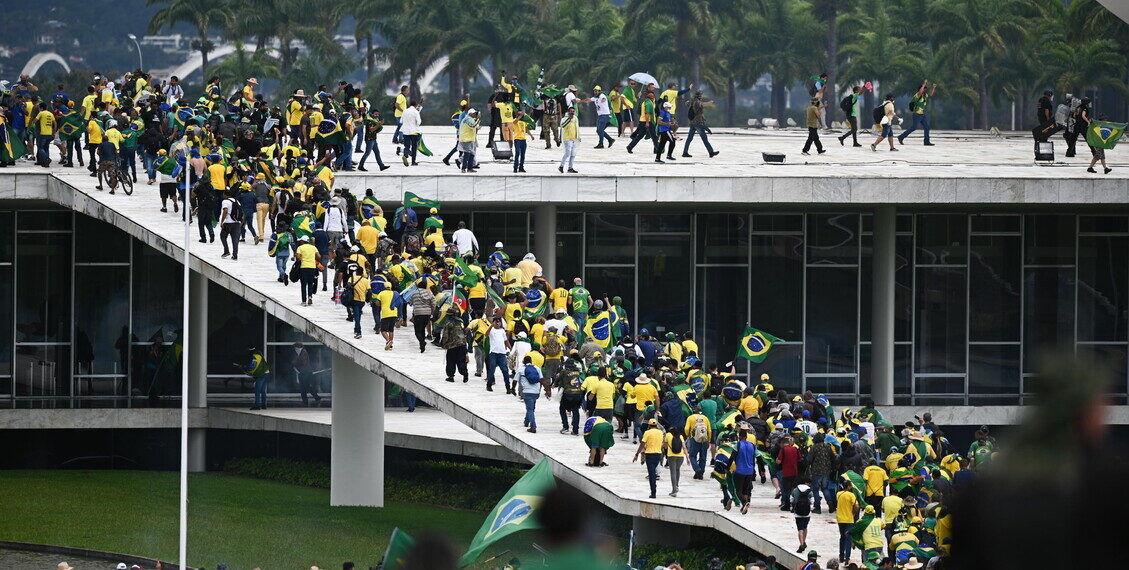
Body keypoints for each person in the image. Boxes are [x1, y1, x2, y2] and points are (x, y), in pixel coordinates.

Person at [898, 80, 936, 146]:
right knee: (914, 127)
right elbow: (920, 92)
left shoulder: (925, 95)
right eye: (924, 89)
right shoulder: (917, 95)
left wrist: (933, 87)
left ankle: (926, 141)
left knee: (927, 127)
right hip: (917, 114)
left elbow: (931, 94)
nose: (925, 90)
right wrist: (924, 84)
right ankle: (901, 137)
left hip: (922, 114)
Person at [634, 418, 664, 499]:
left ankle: (653, 492)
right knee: (653, 471)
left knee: (651, 474)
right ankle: (654, 489)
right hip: (658, 454)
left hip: (650, 454)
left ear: (649, 425)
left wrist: (637, 454)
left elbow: (642, 444)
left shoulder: (647, 433)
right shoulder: (660, 432)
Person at [682, 91, 718, 158]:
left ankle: (685, 152)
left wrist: (688, 102)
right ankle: (711, 152)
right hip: (698, 123)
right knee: (704, 138)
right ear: (699, 96)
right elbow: (702, 104)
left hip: (692, 123)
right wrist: (710, 103)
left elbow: (687, 103)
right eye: (701, 95)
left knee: (689, 138)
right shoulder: (697, 102)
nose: (701, 96)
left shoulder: (692, 101)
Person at [517, 355, 544, 433]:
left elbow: (515, 380)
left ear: (523, 361)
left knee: (530, 409)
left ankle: (533, 426)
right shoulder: (537, 368)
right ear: (531, 361)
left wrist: (512, 389)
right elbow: (542, 379)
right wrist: (547, 390)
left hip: (527, 391)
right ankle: (526, 421)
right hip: (536, 392)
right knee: (531, 408)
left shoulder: (521, 369)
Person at [684, 406, 712, 480]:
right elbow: (709, 430)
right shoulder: (705, 418)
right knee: (703, 457)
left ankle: (697, 469)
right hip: (704, 439)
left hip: (694, 439)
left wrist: (689, 435)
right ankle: (701, 473)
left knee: (692, 456)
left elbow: (686, 428)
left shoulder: (690, 418)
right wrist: (708, 439)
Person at [835, 480, 859, 563]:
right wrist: (854, 512)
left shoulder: (838, 494)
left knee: (842, 537)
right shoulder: (851, 495)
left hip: (840, 519)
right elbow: (856, 506)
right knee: (848, 538)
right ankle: (847, 557)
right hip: (849, 519)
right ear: (848, 486)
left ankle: (841, 556)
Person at [486, 317, 511, 393]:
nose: (497, 323)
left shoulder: (502, 330)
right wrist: (491, 326)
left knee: (505, 370)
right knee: (492, 369)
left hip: (502, 353)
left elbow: (505, 341)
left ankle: (508, 388)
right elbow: (486, 334)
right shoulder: (491, 330)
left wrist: (511, 348)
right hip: (493, 353)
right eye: (496, 322)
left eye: (499, 322)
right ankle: (489, 385)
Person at [291, 341, 321, 406]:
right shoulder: (299, 353)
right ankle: (305, 402)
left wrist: (295, 363)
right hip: (301, 373)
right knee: (302, 388)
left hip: (305, 373)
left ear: (299, 347)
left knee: (306, 387)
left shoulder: (303, 352)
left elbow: (303, 363)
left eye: (295, 347)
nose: (295, 349)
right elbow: (296, 361)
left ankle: (317, 398)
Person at [295, 235, 321, 305]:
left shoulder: (300, 247)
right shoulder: (313, 247)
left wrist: (301, 258)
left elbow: (298, 257)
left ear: (303, 241)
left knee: (303, 284)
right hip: (312, 267)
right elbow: (319, 256)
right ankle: (310, 297)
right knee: (310, 283)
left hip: (304, 267)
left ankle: (304, 301)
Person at [777, 436, 801, 510]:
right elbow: (799, 459)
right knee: (793, 489)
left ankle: (787, 505)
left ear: (783, 443)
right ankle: (794, 505)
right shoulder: (795, 449)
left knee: (786, 490)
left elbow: (779, 461)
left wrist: (776, 460)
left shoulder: (783, 449)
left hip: (786, 472)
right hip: (794, 472)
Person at [791, 479, 815, 553]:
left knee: (800, 529)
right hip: (807, 513)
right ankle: (804, 541)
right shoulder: (809, 491)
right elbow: (812, 501)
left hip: (798, 513)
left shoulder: (795, 490)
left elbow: (791, 500)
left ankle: (801, 544)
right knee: (805, 527)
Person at [410, 279, 435, 352]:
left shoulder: (414, 293)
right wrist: (432, 311)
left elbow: (411, 302)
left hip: (418, 314)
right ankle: (422, 346)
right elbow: (433, 303)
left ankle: (422, 342)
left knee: (417, 331)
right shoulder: (429, 293)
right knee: (422, 329)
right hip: (427, 314)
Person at [1088, 110, 1113, 175]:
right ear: (1102, 120)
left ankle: (1091, 168)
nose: (1106, 120)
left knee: (1099, 156)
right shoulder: (1097, 125)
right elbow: (1090, 123)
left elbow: (1115, 126)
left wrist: (1123, 125)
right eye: (1105, 119)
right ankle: (1104, 169)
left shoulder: (1105, 125)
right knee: (1100, 156)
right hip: (1097, 143)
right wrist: (1091, 121)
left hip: (1100, 143)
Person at [218, 189, 241, 260]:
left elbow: (225, 211)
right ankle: (235, 255)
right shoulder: (237, 201)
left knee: (223, 236)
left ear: (225, 195)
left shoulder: (225, 201)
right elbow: (241, 212)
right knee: (235, 240)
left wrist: (222, 221)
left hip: (228, 223)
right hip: (236, 223)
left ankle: (226, 251)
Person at [663, 427, 686, 497]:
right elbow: (684, 447)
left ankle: (674, 490)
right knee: (677, 469)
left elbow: (665, 446)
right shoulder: (681, 436)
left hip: (671, 456)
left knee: (673, 472)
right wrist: (687, 458)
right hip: (681, 456)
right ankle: (676, 485)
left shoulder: (668, 435)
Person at [400, 100, 422, 166]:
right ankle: (413, 162)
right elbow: (419, 122)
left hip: (405, 131)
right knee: (414, 147)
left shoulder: (405, 111)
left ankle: (405, 155)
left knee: (407, 146)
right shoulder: (416, 112)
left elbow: (401, 121)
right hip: (414, 131)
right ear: (415, 105)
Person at [458, 109, 481, 173]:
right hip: (466, 139)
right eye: (474, 113)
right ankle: (464, 168)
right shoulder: (468, 119)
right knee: (467, 154)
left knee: (471, 154)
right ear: (470, 114)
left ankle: (469, 168)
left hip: (469, 139)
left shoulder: (470, 118)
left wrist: (477, 121)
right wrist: (478, 119)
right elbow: (472, 126)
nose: (475, 114)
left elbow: (474, 125)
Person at [558, 106, 579, 174]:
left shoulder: (575, 118)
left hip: (574, 139)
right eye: (571, 111)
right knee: (568, 153)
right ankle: (561, 166)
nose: (572, 112)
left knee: (573, 154)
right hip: (567, 139)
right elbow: (562, 126)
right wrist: (568, 119)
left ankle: (570, 168)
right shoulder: (564, 119)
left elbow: (577, 127)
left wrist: (578, 137)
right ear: (568, 111)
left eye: (573, 111)